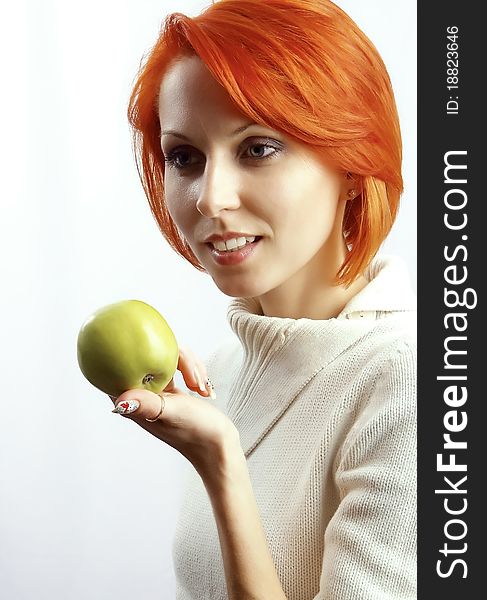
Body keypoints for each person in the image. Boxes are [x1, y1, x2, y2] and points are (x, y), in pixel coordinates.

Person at [111, 0, 417, 598]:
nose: (210, 198)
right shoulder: (223, 369)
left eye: (258, 148)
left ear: (352, 165)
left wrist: (223, 465)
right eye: (185, 157)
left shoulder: (411, 383)